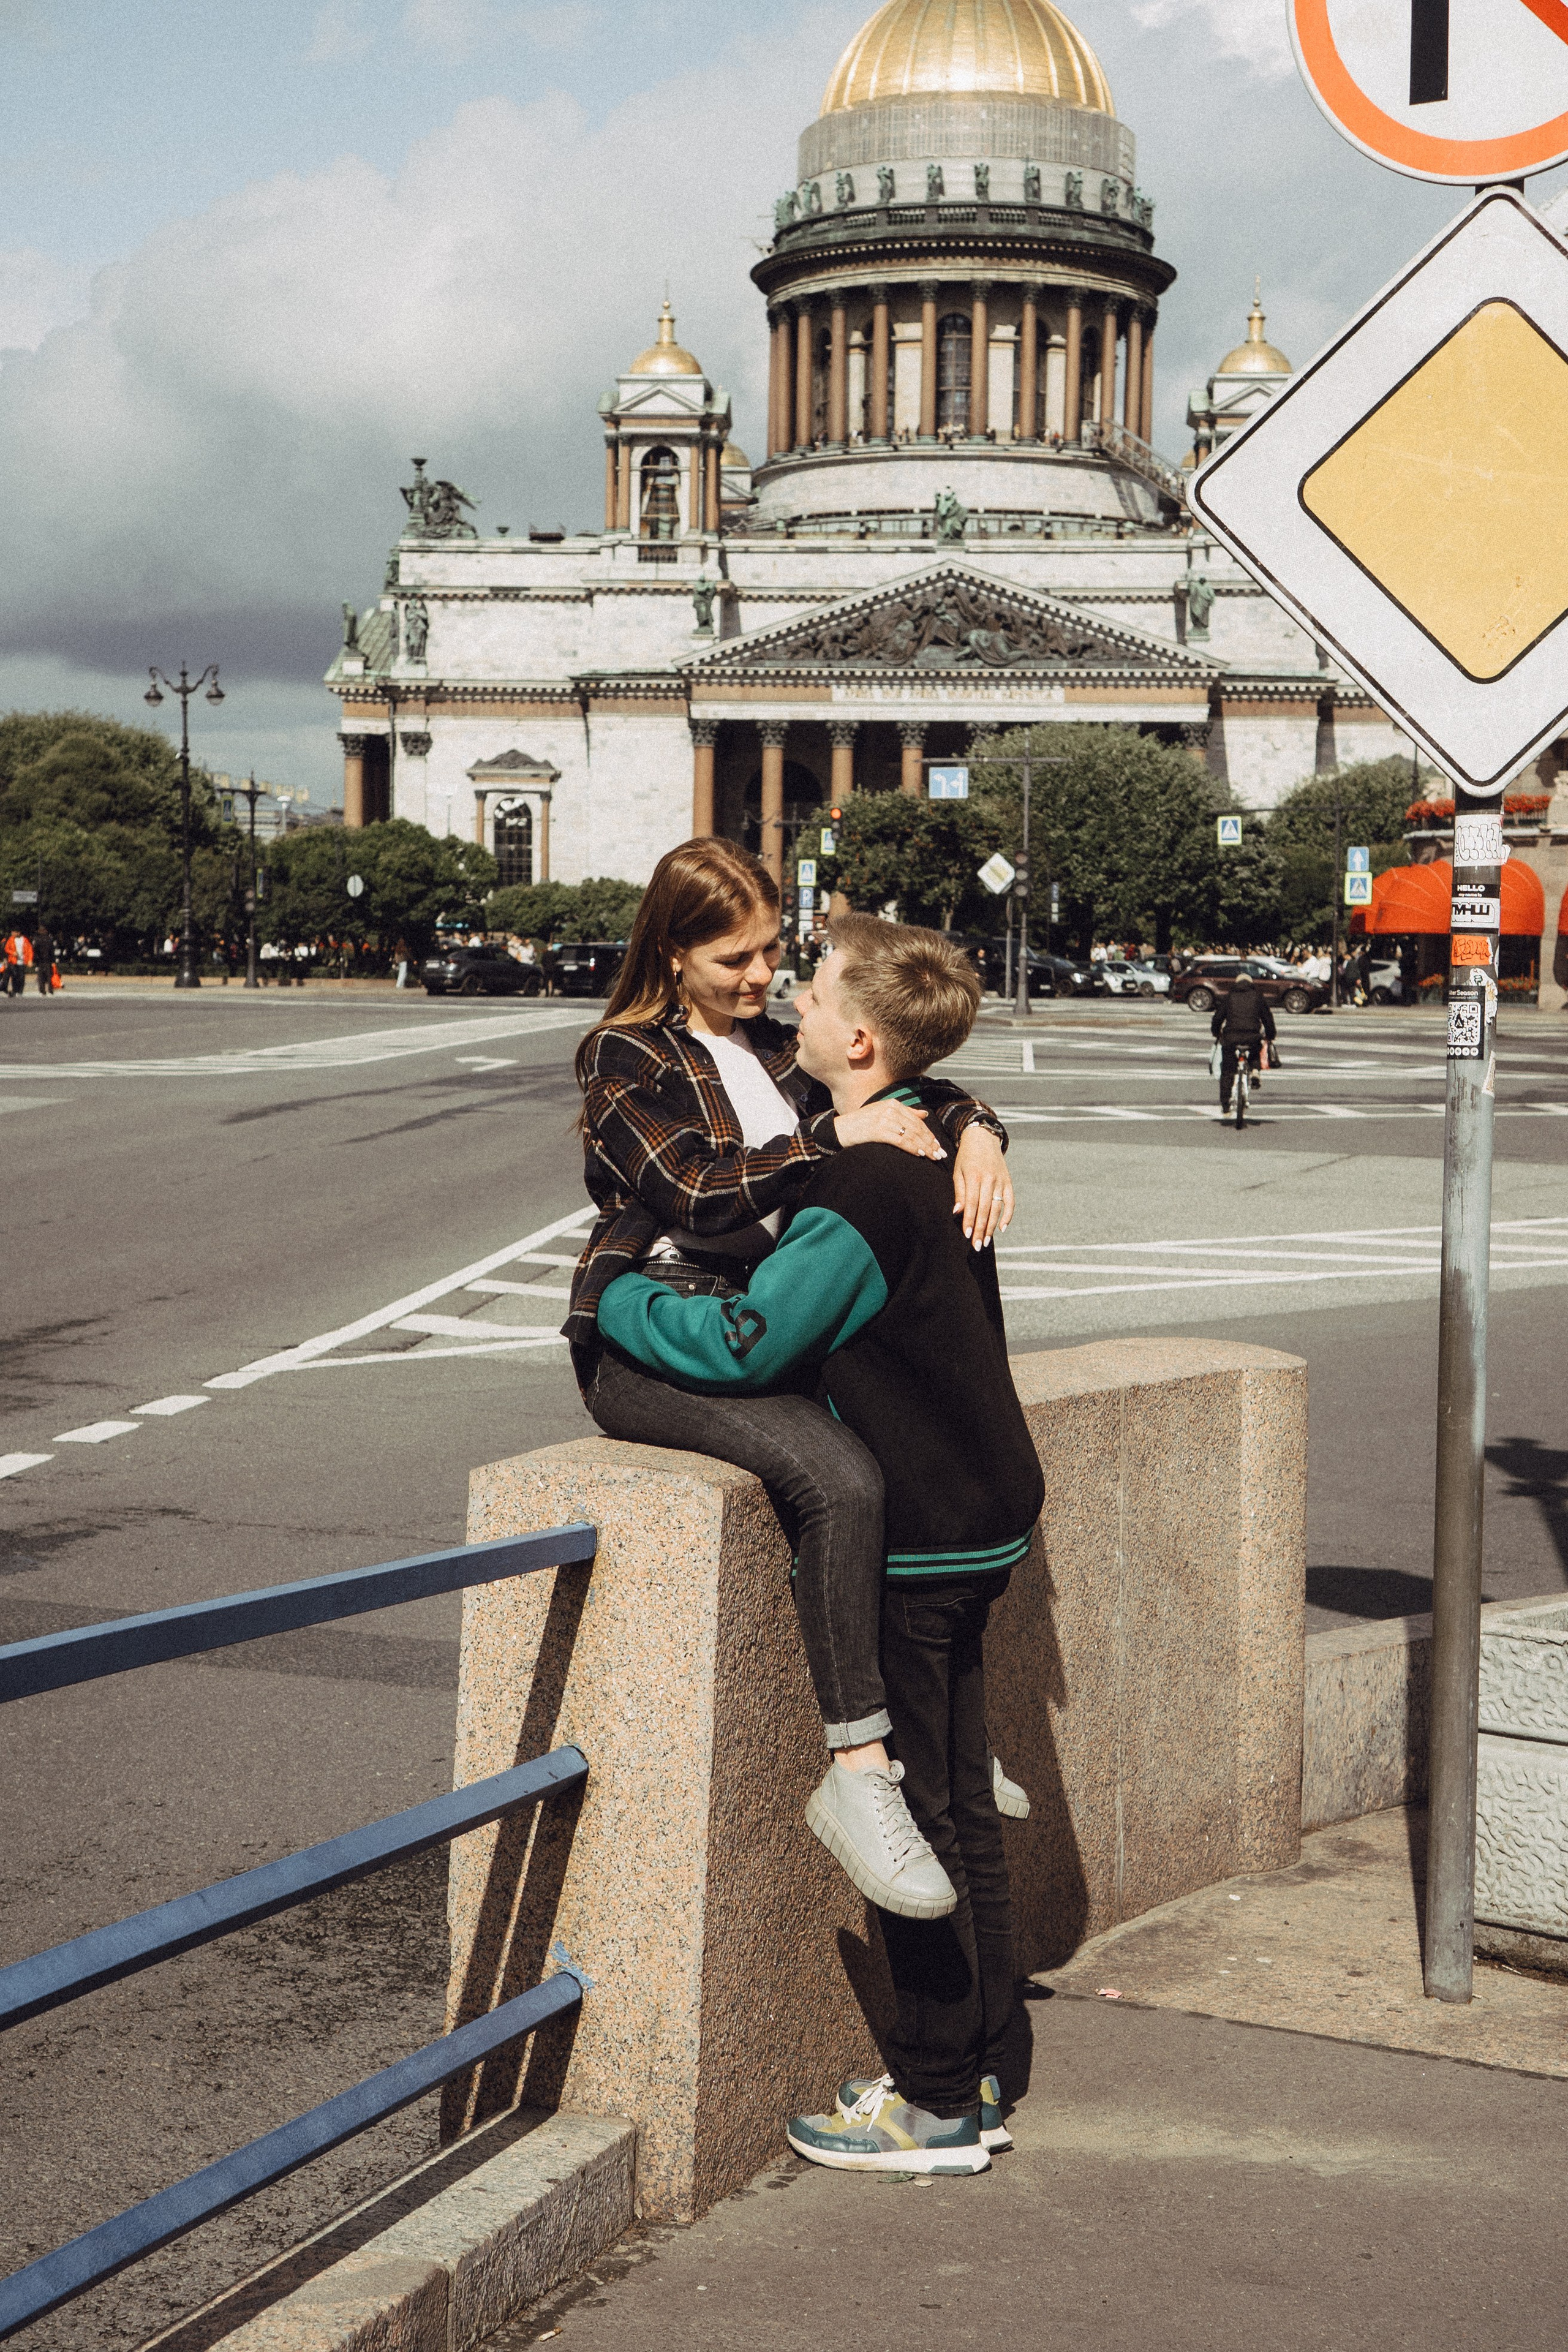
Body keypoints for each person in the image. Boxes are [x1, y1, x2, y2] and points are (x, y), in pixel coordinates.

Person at [597, 914, 1043, 2176]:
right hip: (987, 1509)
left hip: (914, 1539)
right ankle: (989, 2063)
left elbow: (748, 1346)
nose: (788, 994)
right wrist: (978, 1118)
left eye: (815, 985)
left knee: (905, 1826)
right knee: (959, 1808)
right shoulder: (930, 1147)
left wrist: (627, 1300)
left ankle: (933, 2100)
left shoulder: (860, 1184)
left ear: (857, 1039)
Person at [568, 840, 1013, 1921]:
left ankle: (935, 1749)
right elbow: (695, 1188)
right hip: (655, 1331)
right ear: (672, 954)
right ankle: (862, 1768)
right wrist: (832, 1142)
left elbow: (904, 1068)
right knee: (843, 1481)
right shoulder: (623, 1057)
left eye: (773, 950)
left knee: (907, 1456)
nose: (762, 976)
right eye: (734, 957)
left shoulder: (775, 1050)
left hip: (762, 1328)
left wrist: (981, 1130)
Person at [1212, 970, 1276, 1114]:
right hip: (1252, 1036)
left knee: (1228, 1070)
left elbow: (1218, 1018)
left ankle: (1226, 1103)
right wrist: (1271, 1035)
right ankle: (1254, 1071)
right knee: (1254, 1051)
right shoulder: (1257, 996)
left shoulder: (1230, 997)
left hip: (1231, 1037)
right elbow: (1267, 1018)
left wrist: (1217, 1033)